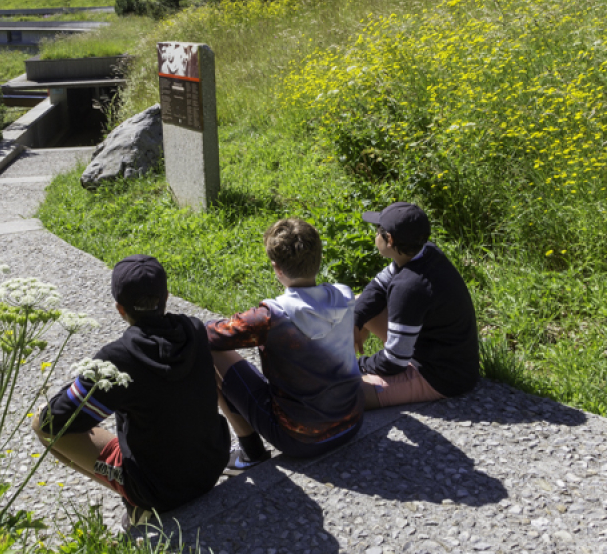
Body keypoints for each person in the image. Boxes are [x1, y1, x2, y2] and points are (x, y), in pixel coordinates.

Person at [32, 255, 230, 527]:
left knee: (41, 424)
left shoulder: (118, 358)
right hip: (211, 467)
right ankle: (136, 496)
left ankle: (138, 502)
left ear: (119, 308)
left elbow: (53, 420)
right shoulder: (194, 329)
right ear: (166, 297)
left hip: (159, 490)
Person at [207, 218, 364, 474]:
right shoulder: (344, 295)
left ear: (276, 268)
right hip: (352, 422)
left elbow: (209, 335)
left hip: (300, 439)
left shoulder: (270, 316)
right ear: (319, 260)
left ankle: (251, 453)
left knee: (213, 351)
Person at [354, 202, 479, 410]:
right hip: (428, 348)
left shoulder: (410, 287)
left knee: (344, 394)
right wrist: (355, 319)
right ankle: (345, 359)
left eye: (378, 231)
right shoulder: (424, 251)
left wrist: (357, 367)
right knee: (359, 302)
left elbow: (394, 362)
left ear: (390, 240)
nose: (376, 235)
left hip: (440, 375)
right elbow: (378, 285)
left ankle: (346, 370)